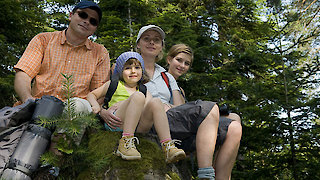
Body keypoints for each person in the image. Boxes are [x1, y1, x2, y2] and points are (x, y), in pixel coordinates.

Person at [99, 25, 221, 179]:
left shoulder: (166, 75)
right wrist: (102, 111)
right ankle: (206, 175)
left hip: (169, 117)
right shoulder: (123, 67)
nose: (152, 43)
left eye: (156, 40)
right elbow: (108, 95)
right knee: (208, 108)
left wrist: (167, 105)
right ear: (138, 44)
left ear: (161, 46)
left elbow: (179, 107)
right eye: (147, 39)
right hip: (144, 121)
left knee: (232, 126)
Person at [87, 52, 186, 163]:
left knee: (156, 102)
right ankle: (126, 142)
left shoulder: (144, 89)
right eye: (128, 68)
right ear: (120, 71)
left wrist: (127, 101)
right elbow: (92, 95)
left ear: (142, 70)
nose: (133, 71)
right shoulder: (114, 84)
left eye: (137, 67)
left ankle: (167, 145)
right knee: (138, 96)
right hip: (117, 121)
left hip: (139, 125)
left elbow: (148, 106)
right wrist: (97, 107)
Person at [13, 0, 109, 115]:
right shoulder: (43, 40)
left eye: (93, 21)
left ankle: (62, 133)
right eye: (83, 15)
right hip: (38, 107)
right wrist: (28, 99)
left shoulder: (100, 53)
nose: (86, 21)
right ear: (71, 15)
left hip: (73, 116)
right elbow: (23, 74)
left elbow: (99, 93)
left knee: (77, 106)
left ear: (95, 29)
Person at [166, 44, 242, 179]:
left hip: (184, 129)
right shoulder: (158, 77)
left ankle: (222, 176)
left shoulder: (180, 90)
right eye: (179, 60)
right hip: (166, 129)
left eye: (187, 63)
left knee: (234, 121)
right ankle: (207, 174)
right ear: (169, 59)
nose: (182, 65)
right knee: (209, 108)